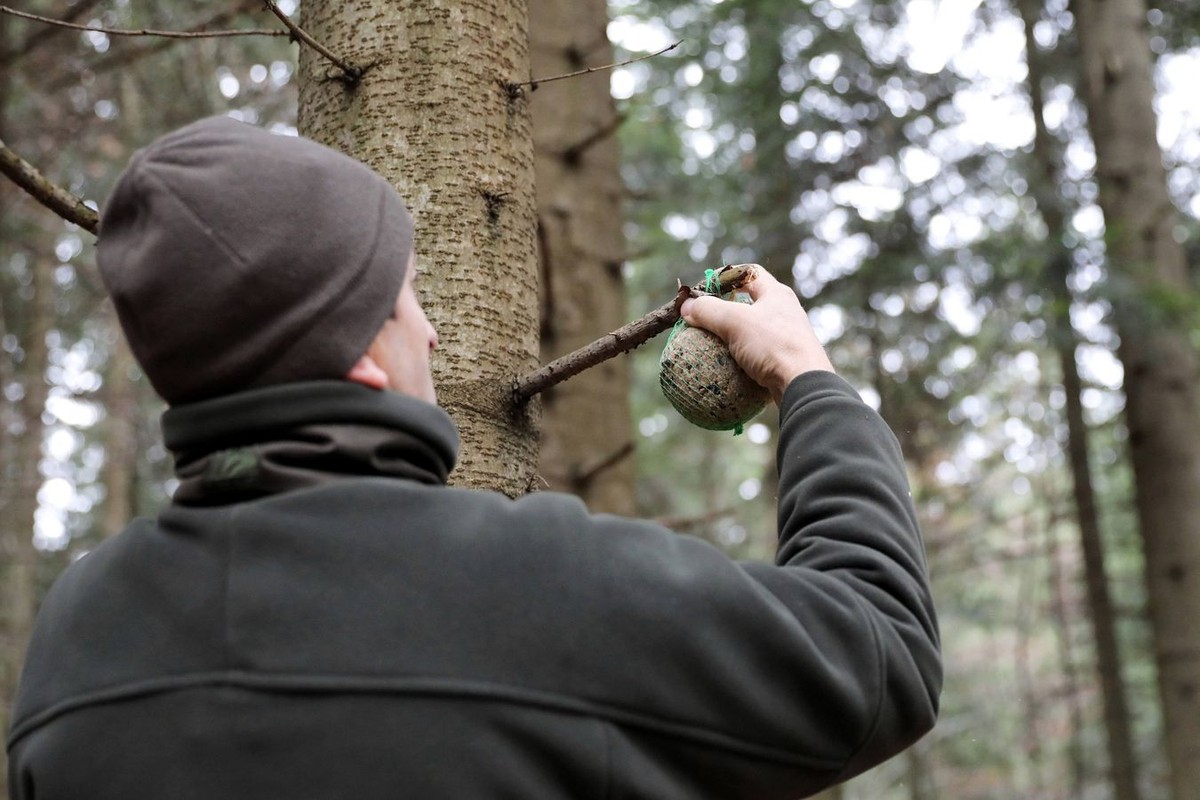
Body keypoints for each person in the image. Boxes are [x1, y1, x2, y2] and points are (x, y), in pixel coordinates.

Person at [6, 116, 940, 800]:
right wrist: (807, 378)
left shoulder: (75, 645)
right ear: (367, 351)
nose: (436, 333)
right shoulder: (537, 587)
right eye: (406, 296)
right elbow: (880, 653)